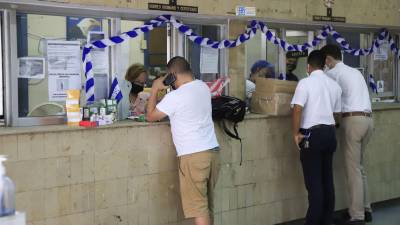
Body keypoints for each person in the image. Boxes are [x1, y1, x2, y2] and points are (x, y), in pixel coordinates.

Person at [146, 56, 220, 225]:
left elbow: (150, 116)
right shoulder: (202, 87)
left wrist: (155, 89)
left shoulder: (176, 96)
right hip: (213, 152)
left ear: (172, 74)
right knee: (206, 205)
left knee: (198, 208)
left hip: (193, 156)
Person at [321, 45, 373, 225]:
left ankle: (357, 216)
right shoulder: (354, 71)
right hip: (367, 121)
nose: (324, 65)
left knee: (353, 171)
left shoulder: (332, 74)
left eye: (324, 61)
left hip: (352, 122)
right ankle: (366, 209)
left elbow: (323, 97)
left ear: (328, 59)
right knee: (359, 168)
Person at [291, 50, 342, 225]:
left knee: (314, 184)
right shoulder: (334, 85)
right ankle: (327, 220)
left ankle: (313, 221)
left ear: (308, 66)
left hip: (312, 135)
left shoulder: (305, 83)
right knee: (327, 179)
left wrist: (296, 133)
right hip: (329, 133)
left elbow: (297, 109)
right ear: (324, 65)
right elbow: (337, 114)